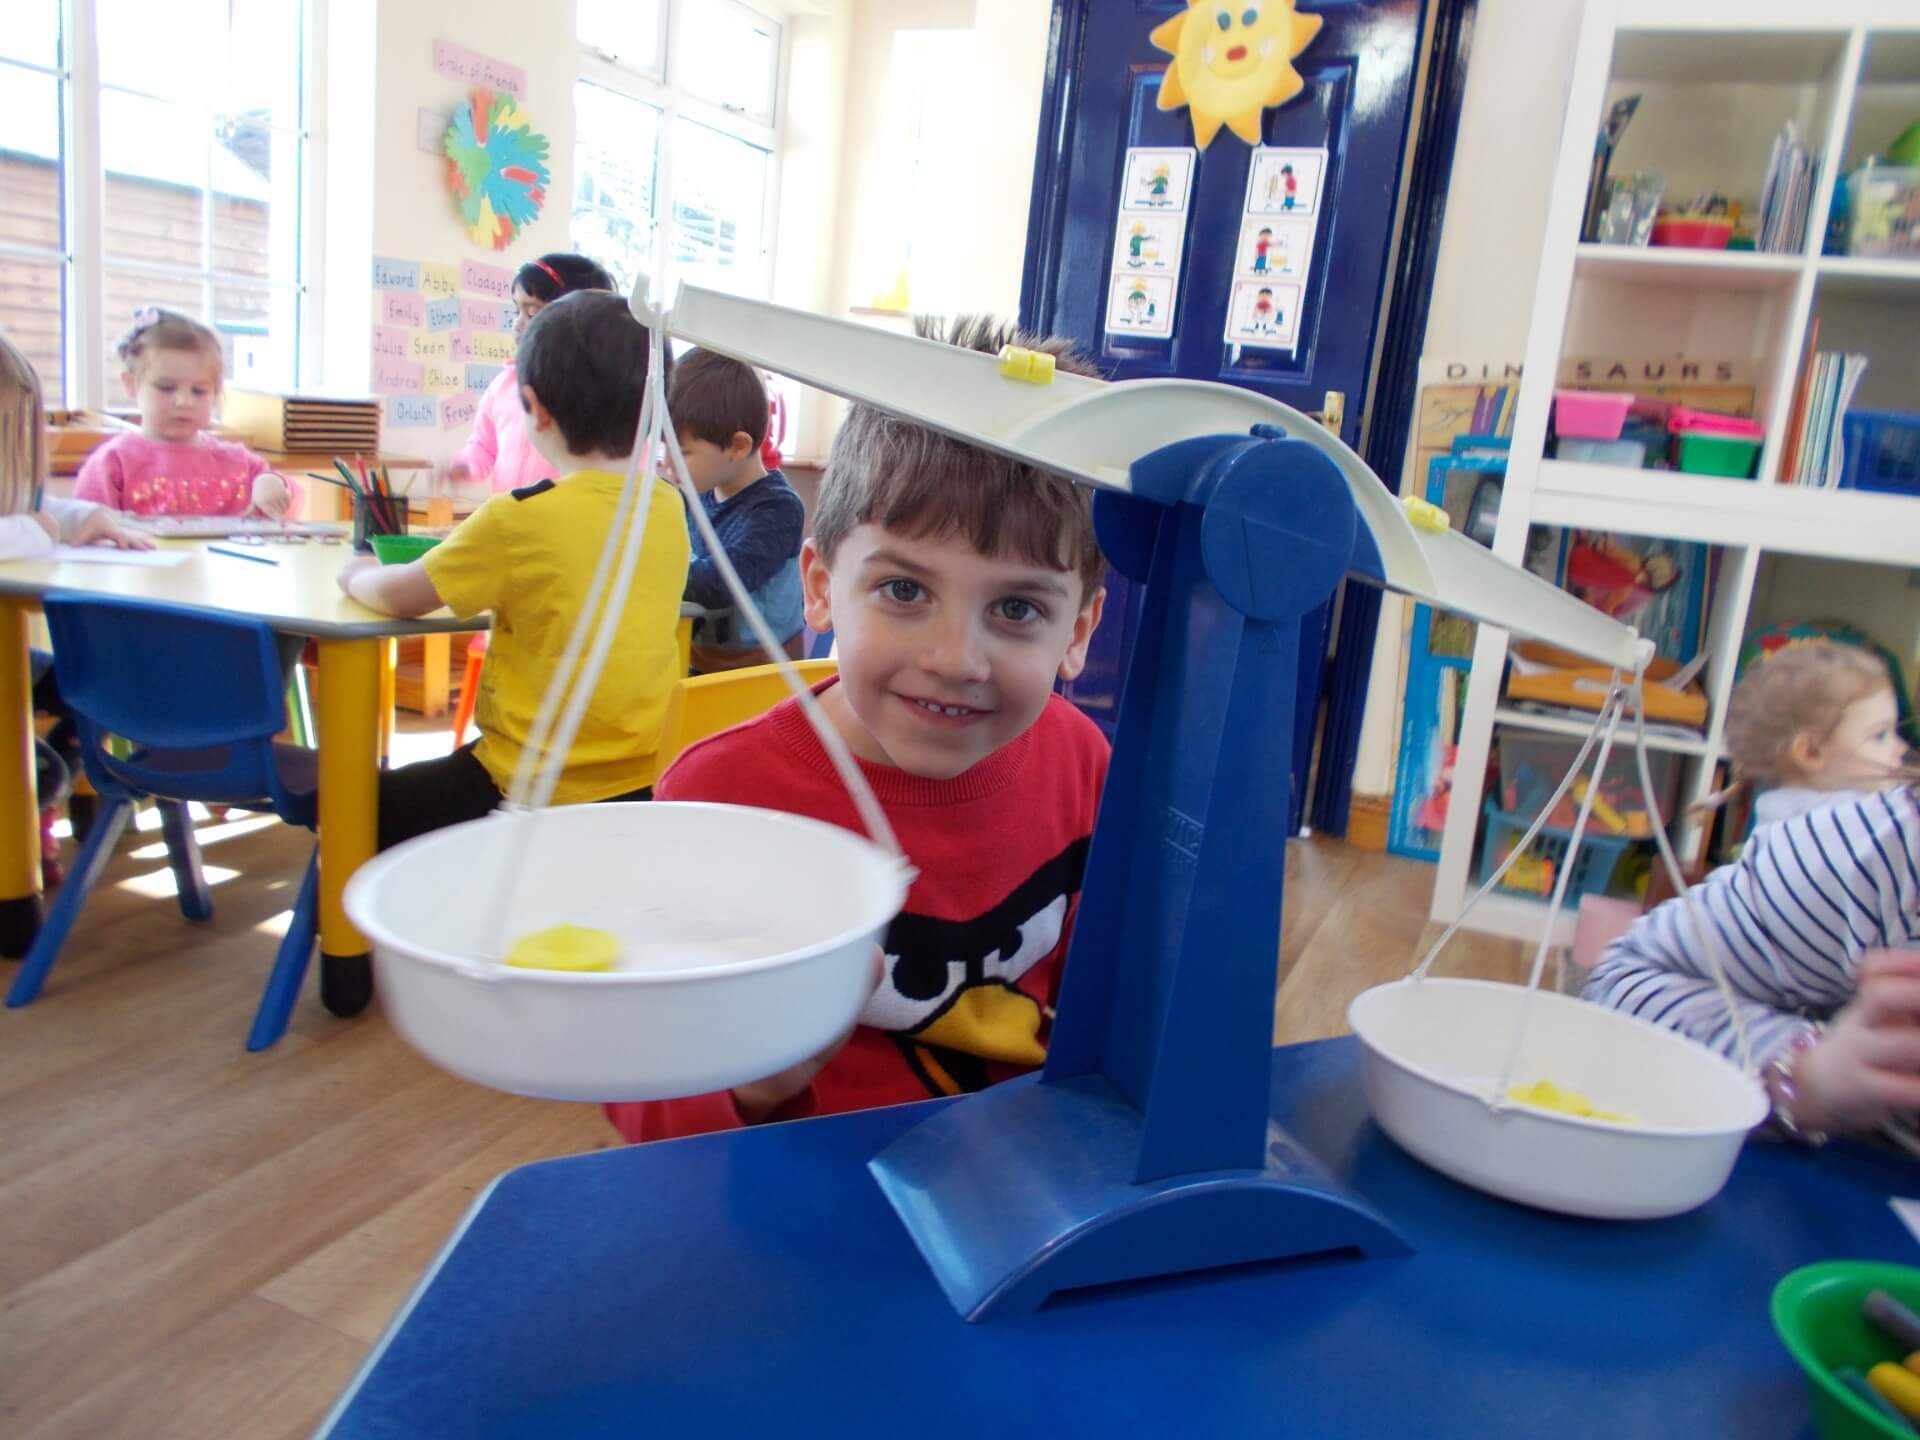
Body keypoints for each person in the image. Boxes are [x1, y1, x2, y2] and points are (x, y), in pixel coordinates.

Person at [606, 315, 1110, 1144]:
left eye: (1017, 609)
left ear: (1079, 632)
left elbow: (1104, 1008)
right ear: (820, 586)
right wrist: (745, 1086)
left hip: (1019, 1171)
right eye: (904, 591)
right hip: (792, 1188)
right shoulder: (718, 801)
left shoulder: (1081, 762)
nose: (956, 659)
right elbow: (643, 1097)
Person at [339, 291, 689, 851]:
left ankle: (345, 913)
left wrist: (355, 573)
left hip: (528, 787)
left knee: (356, 808)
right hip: (643, 780)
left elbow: (404, 596)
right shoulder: (668, 505)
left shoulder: (516, 518)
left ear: (534, 407)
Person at [1584, 641, 1920, 1144]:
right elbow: (1622, 982)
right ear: (1809, 752)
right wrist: (1806, 1071)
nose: (1899, 751)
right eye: (1880, 735)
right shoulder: (1861, 852)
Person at [0, 329, 152, 880]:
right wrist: (40, 529)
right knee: (36, 777)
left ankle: (42, 813)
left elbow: (42, 509)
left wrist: (92, 518)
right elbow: (31, 525)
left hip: (14, 666)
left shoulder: (17, 495)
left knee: (88, 687)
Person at [75, 309, 295, 519]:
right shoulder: (112, 462)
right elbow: (87, 529)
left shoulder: (238, 461)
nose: (184, 401)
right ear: (132, 384)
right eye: (166, 388)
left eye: (199, 391)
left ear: (216, 392)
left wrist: (270, 484)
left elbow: (283, 497)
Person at [669, 348, 806, 671]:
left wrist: (650, 565)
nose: (669, 465)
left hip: (760, 675)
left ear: (737, 446)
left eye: (683, 452)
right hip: (700, 660)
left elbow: (717, 585)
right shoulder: (695, 492)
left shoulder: (778, 510)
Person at [445, 253, 617, 495]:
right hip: (511, 513)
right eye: (517, 310)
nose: (517, 325)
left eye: (532, 312)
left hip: (564, 514)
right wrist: (465, 467)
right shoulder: (504, 385)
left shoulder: (598, 393)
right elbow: (483, 446)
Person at [1718, 640, 1909, 826]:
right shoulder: (1849, 820)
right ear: (1811, 752)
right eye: (1880, 735)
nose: (1902, 748)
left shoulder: (1775, 812)